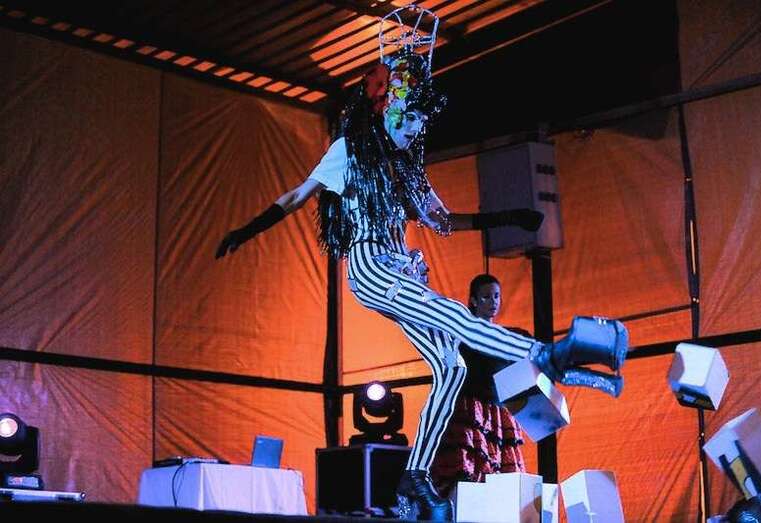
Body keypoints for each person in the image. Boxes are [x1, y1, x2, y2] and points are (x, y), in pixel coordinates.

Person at [216, 12, 627, 520]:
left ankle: (415, 477)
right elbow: (299, 194)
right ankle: (547, 353)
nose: (415, 129)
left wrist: (507, 218)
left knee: (452, 366)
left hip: (402, 270)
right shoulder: (349, 151)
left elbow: (442, 220)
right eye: (409, 118)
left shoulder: (408, 168)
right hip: (371, 266)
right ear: (388, 109)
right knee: (455, 317)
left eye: (420, 122)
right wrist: (249, 228)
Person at [429, 274, 531, 499]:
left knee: (500, 475)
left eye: (496, 296)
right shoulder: (460, 336)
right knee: (465, 468)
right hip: (469, 410)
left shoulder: (508, 336)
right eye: (486, 297)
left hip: (498, 412)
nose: (493, 302)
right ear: (474, 301)